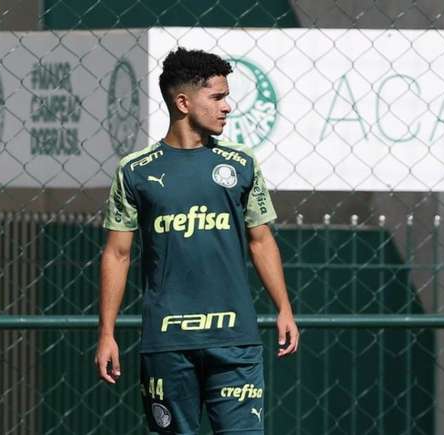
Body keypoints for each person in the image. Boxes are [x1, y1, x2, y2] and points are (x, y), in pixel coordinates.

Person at [94, 47, 299, 435]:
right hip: (167, 342)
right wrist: (106, 334)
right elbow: (117, 254)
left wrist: (284, 308)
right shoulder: (135, 171)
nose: (228, 107)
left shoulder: (241, 164)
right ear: (183, 102)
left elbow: (261, 240)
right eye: (218, 97)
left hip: (236, 341)